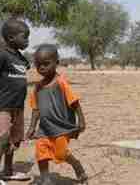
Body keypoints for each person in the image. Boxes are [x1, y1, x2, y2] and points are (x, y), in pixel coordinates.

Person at [26, 44, 87, 184]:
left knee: (61, 153)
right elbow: (35, 109)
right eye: (38, 65)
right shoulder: (37, 87)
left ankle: (76, 164)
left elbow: (74, 102)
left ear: (56, 63)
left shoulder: (61, 82)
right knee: (41, 152)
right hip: (45, 128)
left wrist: (81, 121)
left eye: (46, 64)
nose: (42, 68)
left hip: (61, 127)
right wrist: (31, 128)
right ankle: (46, 179)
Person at [0, 19, 31, 185]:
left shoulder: (21, 58)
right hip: (4, 106)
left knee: (15, 140)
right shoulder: (1, 55)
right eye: (24, 37)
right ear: (10, 38)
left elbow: (25, 70)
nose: (27, 41)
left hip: (19, 107)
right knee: (3, 139)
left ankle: (8, 171)